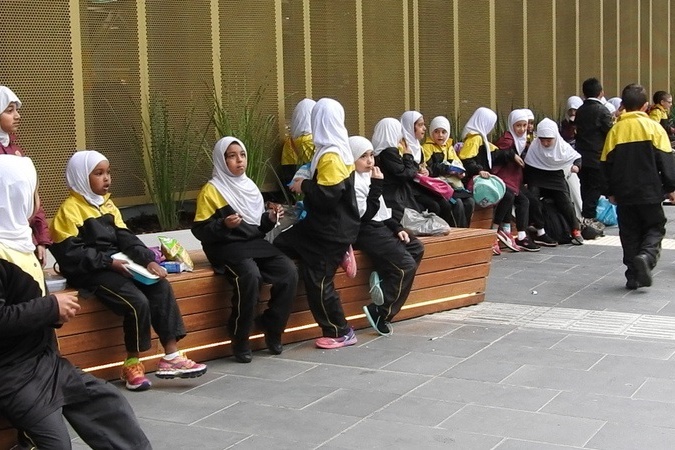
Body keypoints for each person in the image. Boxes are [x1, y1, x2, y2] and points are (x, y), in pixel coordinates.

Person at [0, 155, 151, 449]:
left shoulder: (19, 242)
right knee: (56, 444)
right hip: (11, 374)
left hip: (46, 364)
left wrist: (52, 312)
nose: (37, 199)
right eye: (34, 191)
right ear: (12, 194)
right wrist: (50, 307)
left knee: (110, 406)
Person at [49, 151, 207, 391]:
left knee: (160, 286)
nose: (107, 179)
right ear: (81, 176)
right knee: (136, 302)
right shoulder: (68, 212)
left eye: (108, 172)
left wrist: (148, 261)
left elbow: (126, 238)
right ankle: (133, 363)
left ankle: (171, 356)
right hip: (91, 272)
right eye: (99, 173)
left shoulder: (108, 205)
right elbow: (71, 255)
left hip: (119, 264)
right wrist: (108, 262)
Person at [192, 137, 297, 362]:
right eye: (231, 156)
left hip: (252, 243)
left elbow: (257, 227)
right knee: (250, 275)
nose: (239, 161)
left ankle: (273, 326)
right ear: (221, 160)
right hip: (225, 246)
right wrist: (223, 225)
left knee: (288, 271)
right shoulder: (211, 191)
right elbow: (200, 230)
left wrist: (269, 219)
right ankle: (240, 336)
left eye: (242, 155)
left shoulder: (249, 187)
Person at [274, 98, 360, 349]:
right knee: (281, 243)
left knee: (318, 280)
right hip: (323, 227)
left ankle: (340, 331)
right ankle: (341, 251)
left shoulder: (331, 156)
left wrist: (304, 185)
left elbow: (328, 197)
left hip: (329, 232)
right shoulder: (335, 148)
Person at [601, 83, 675, 289]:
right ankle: (647, 256)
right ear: (645, 106)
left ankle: (633, 275)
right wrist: (671, 187)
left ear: (623, 105)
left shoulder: (615, 130)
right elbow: (666, 159)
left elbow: (606, 163)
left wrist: (610, 191)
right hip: (650, 191)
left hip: (624, 194)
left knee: (629, 233)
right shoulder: (654, 128)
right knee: (655, 227)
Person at [348, 136, 424, 336]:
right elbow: (365, 215)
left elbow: (382, 211)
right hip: (365, 230)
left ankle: (384, 281)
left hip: (378, 226)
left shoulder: (368, 177)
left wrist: (396, 227)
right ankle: (380, 311)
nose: (370, 161)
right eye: (363, 156)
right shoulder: (353, 182)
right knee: (406, 266)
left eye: (371, 155)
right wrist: (376, 186)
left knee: (416, 247)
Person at [0, 86, 51, 267]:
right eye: (9, 110)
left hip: (22, 238)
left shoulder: (15, 149)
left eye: (17, 110)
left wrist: (40, 239)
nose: (17, 116)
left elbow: (31, 198)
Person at [460, 106, 517, 255]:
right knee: (507, 194)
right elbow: (466, 160)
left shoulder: (482, 139)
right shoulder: (474, 139)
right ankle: (495, 231)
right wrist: (479, 170)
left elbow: (496, 152)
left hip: (482, 178)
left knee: (509, 193)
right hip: (475, 180)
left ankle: (502, 229)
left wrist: (512, 155)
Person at [493, 109, 550, 250]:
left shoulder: (523, 140)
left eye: (524, 125)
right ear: (511, 125)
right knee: (518, 198)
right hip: (504, 179)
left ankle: (525, 234)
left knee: (531, 199)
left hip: (515, 180)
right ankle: (497, 230)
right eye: (518, 125)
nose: (522, 129)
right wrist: (512, 155)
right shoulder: (507, 139)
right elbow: (497, 154)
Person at [524, 118, 584, 245]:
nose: (545, 143)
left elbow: (577, 157)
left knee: (565, 200)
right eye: (542, 140)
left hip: (555, 176)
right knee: (533, 197)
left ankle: (575, 229)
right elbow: (528, 165)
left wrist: (576, 167)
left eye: (549, 140)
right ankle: (537, 227)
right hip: (537, 175)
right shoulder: (535, 147)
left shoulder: (562, 146)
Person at [400, 111, 459, 228]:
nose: (424, 129)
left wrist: (426, 171)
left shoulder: (418, 146)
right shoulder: (402, 146)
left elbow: (423, 166)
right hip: (410, 189)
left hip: (421, 185)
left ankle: (444, 235)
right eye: (420, 125)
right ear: (410, 127)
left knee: (446, 204)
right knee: (434, 206)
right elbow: (404, 172)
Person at [574, 77, 613, 237]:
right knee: (595, 188)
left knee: (586, 187)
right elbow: (610, 131)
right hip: (597, 156)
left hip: (582, 156)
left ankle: (586, 218)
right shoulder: (602, 110)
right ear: (601, 92)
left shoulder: (580, 110)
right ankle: (588, 220)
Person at [422, 116, 475, 227]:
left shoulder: (449, 147)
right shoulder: (427, 147)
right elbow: (429, 169)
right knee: (458, 204)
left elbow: (457, 163)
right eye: (436, 132)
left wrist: (460, 173)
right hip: (438, 186)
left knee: (470, 201)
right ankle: (458, 232)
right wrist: (446, 169)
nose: (440, 135)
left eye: (443, 132)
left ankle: (466, 231)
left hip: (453, 185)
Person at [372, 117, 422, 223]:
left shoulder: (381, 151)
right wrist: (408, 156)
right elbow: (406, 174)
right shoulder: (389, 152)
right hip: (395, 197)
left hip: (396, 194)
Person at [280, 98, 316, 185]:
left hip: (293, 186)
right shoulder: (313, 141)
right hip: (309, 187)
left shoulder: (289, 142)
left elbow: (287, 171)